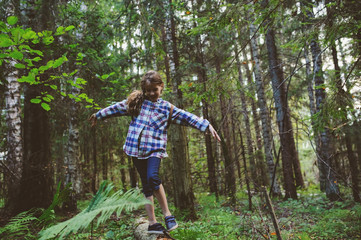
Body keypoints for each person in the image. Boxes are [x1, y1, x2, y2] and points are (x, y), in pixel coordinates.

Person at [89, 70, 220, 234]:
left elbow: (186, 117)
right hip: (135, 150)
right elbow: (117, 108)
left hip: (155, 150)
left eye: (155, 90)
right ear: (144, 90)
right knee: (146, 184)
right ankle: (152, 223)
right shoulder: (137, 102)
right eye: (148, 90)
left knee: (153, 177)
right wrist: (99, 115)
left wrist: (206, 125)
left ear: (161, 87)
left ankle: (168, 214)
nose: (151, 93)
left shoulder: (167, 108)